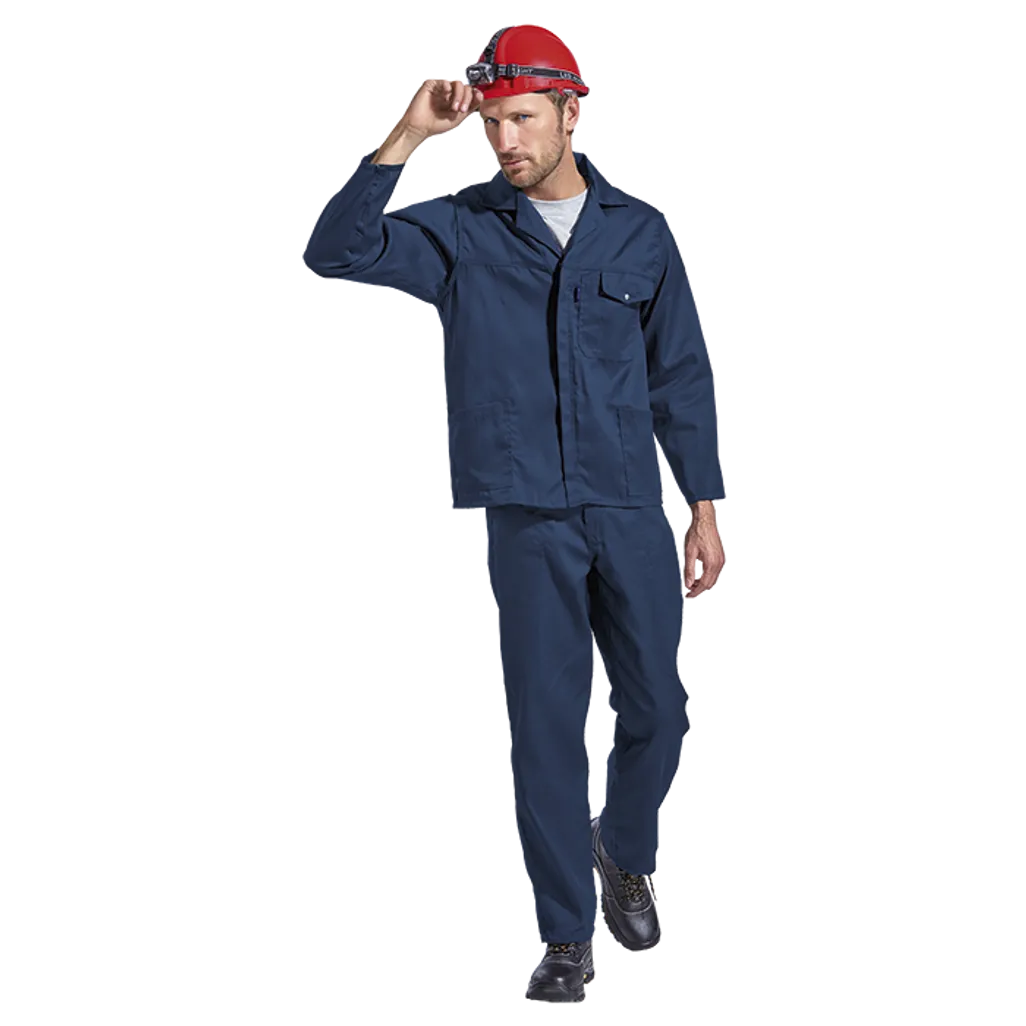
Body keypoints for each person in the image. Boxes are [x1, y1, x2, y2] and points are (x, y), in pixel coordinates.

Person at [303, 23, 726, 1007]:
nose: (505, 141)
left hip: (628, 502)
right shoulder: (461, 230)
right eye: (491, 123)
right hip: (526, 509)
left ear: (572, 113)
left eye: (523, 119)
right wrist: (408, 134)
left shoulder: (638, 230)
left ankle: (626, 857)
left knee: (658, 711)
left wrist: (703, 507)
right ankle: (567, 936)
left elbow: (680, 374)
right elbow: (335, 251)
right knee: (544, 726)